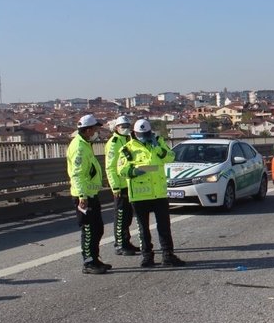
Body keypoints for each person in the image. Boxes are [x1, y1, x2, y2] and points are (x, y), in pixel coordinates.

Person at [117, 119, 185, 268]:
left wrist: (157, 148)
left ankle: (168, 256)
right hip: (140, 195)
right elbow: (121, 170)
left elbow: (171, 157)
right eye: (141, 134)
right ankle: (147, 256)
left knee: (164, 227)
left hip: (159, 193)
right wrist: (134, 171)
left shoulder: (158, 143)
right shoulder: (127, 149)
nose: (144, 136)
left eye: (146, 134)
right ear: (135, 133)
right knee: (143, 229)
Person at [67, 114, 110, 274]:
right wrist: (82, 197)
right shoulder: (78, 147)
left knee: (97, 228)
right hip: (83, 196)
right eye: (96, 129)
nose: (97, 132)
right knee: (88, 230)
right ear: (88, 130)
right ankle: (88, 263)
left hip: (91, 193)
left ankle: (95, 258)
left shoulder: (85, 144)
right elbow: (77, 174)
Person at [105, 115, 139, 256]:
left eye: (127, 126)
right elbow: (110, 167)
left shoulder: (129, 140)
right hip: (120, 184)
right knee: (120, 216)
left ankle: (126, 241)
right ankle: (119, 244)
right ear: (116, 128)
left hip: (129, 183)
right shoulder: (114, 143)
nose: (125, 129)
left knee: (128, 216)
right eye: (122, 126)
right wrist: (115, 187)